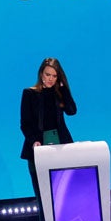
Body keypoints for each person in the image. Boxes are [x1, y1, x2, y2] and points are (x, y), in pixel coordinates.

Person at [18, 57, 77, 203]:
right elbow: (25, 123)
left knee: (63, 195)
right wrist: (34, 141)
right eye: (47, 74)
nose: (50, 79)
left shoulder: (59, 93)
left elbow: (72, 110)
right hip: (37, 147)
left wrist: (63, 88)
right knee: (43, 197)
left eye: (54, 76)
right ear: (41, 74)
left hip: (61, 145)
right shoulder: (29, 93)